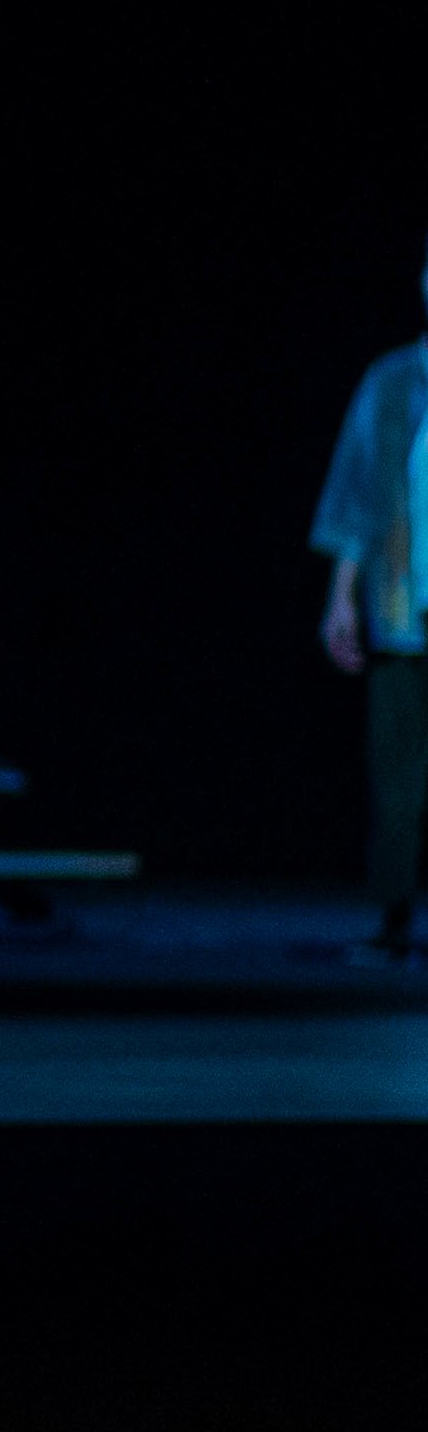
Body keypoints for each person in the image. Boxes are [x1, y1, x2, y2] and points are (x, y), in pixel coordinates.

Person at [306, 243, 428, 965]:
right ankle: (392, 921)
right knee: (398, 780)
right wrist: (340, 598)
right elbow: (356, 494)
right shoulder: (393, 382)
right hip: (405, 608)